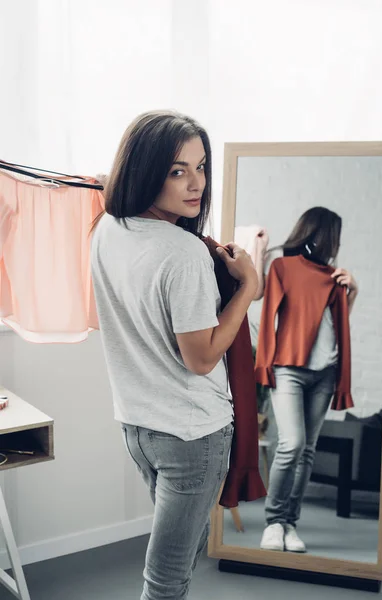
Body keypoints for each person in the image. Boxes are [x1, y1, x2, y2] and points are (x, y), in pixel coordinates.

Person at [89, 110, 258, 600]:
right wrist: (248, 286)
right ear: (145, 172)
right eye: (176, 171)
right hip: (191, 435)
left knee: (180, 554)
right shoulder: (181, 253)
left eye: (201, 167)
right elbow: (202, 358)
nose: (196, 184)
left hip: (137, 427)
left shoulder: (107, 229)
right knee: (167, 581)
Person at [254, 206, 358, 554]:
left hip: (325, 372)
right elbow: (269, 312)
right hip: (289, 369)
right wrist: (265, 364)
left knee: (307, 451)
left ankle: (289, 524)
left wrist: (350, 293)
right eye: (334, 236)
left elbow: (334, 326)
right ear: (320, 232)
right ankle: (273, 522)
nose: (336, 243)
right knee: (292, 444)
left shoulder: (333, 276)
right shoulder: (283, 266)